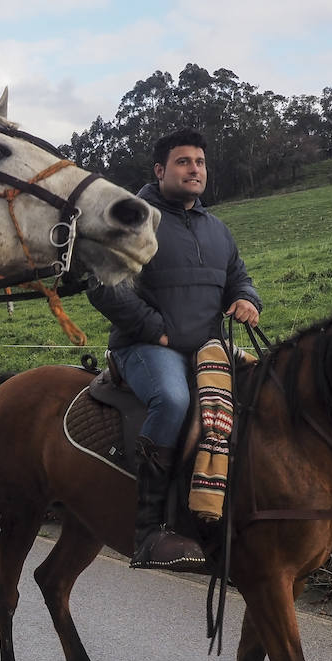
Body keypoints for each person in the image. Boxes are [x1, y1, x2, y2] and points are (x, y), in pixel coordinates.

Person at [87, 128, 261, 571]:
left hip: (206, 348)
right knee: (174, 399)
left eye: (200, 162)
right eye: (184, 162)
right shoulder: (134, 220)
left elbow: (238, 275)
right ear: (161, 170)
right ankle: (149, 531)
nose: (195, 169)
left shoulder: (217, 229)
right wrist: (156, 331)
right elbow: (104, 285)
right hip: (147, 347)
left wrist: (246, 299)